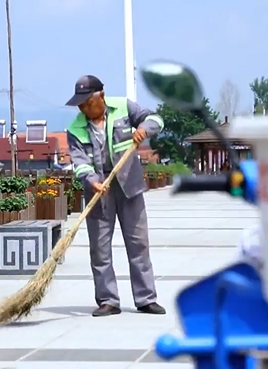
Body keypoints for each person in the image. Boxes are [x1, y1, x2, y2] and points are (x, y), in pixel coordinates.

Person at [65, 75, 167, 317]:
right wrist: (92, 180)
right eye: (80, 104)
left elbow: (156, 119)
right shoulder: (74, 129)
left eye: (87, 102)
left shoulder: (123, 107)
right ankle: (108, 300)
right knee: (99, 249)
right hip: (99, 191)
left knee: (138, 244)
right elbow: (79, 163)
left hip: (129, 186)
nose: (83, 108)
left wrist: (143, 129)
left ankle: (146, 298)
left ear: (101, 96)